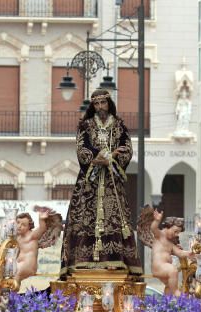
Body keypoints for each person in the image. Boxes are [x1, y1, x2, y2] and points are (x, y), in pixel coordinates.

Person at [60, 88, 142, 277]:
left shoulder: (119, 125)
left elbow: (127, 148)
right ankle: (82, 260)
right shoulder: (86, 126)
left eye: (103, 103)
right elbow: (82, 149)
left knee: (114, 218)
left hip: (112, 181)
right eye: (96, 104)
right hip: (90, 182)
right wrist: (101, 157)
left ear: (109, 103)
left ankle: (115, 260)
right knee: (83, 219)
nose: (100, 107)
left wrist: (112, 158)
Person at [137, 207, 193, 295]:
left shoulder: (171, 244)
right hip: (158, 266)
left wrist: (190, 253)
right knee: (173, 270)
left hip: (165, 268)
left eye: (178, 233)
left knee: (169, 285)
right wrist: (157, 221)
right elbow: (153, 228)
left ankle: (167, 299)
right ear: (168, 227)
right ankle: (176, 292)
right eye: (175, 231)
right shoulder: (160, 235)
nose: (176, 234)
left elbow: (180, 253)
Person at [15, 209, 62, 283]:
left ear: (29, 227)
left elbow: (42, 229)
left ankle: (12, 293)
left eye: (23, 225)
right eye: (18, 223)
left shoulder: (32, 235)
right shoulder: (17, 237)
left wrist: (41, 219)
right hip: (19, 264)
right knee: (10, 273)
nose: (19, 226)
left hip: (29, 266)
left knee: (17, 274)